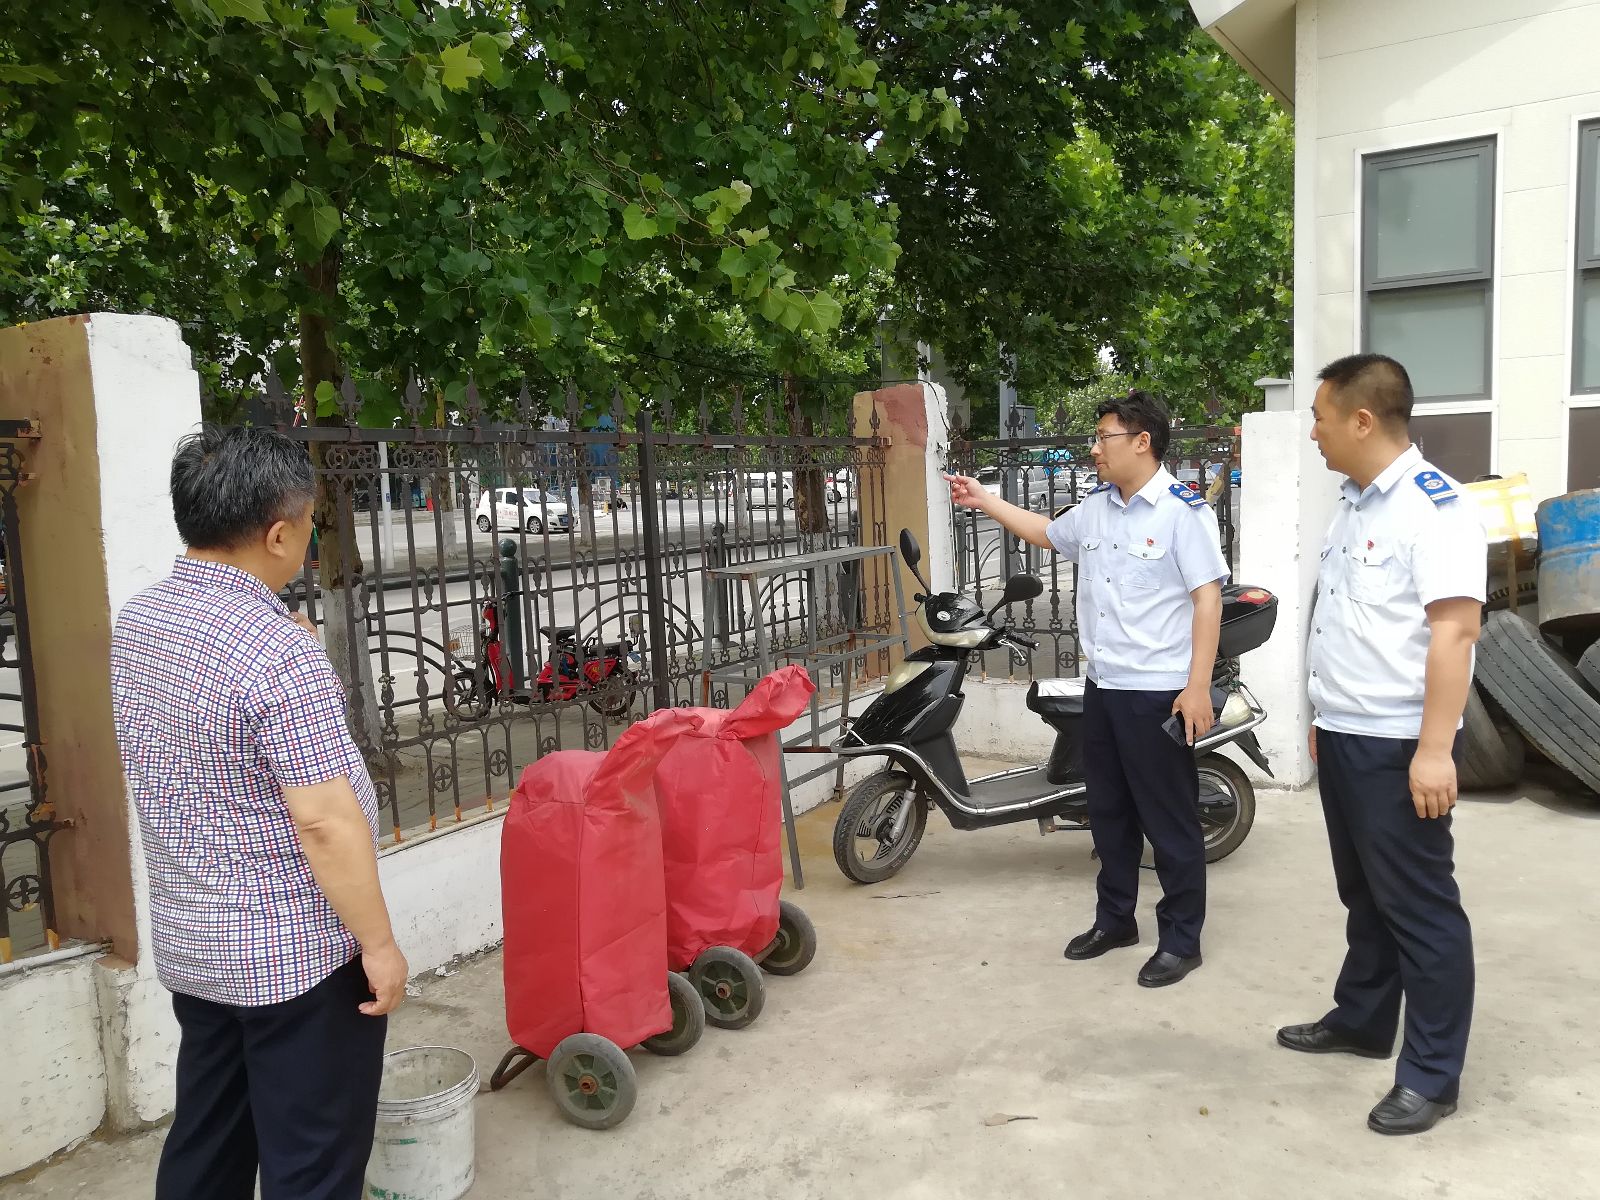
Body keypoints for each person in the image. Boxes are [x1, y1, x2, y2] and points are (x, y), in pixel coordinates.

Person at [110, 426, 408, 1199]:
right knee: (312, 1163)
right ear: (279, 534)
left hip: (194, 944)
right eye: (308, 526)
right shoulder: (278, 655)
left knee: (208, 1137)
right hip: (294, 961)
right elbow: (324, 822)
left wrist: (289, 645)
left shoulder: (139, 620)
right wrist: (378, 944)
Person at [944, 390, 1229, 987]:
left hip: (1159, 691)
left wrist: (1197, 687)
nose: (1094, 449)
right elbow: (1048, 533)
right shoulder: (1097, 508)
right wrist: (985, 499)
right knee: (1109, 812)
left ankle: (1182, 939)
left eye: (1104, 438)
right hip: (1104, 687)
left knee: (1169, 820)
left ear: (1142, 442)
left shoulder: (1183, 513)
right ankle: (1115, 920)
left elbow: (1208, 601)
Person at [1278, 353, 1486, 1135]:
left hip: (1400, 746)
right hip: (1347, 733)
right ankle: (1363, 1020)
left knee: (1421, 910)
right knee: (1365, 896)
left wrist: (1434, 751)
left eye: (1321, 418)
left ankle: (1432, 1077)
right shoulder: (1354, 505)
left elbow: (1455, 632)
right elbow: (1347, 620)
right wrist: (1323, 715)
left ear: (1362, 420)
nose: (1314, 432)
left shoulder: (1434, 508)